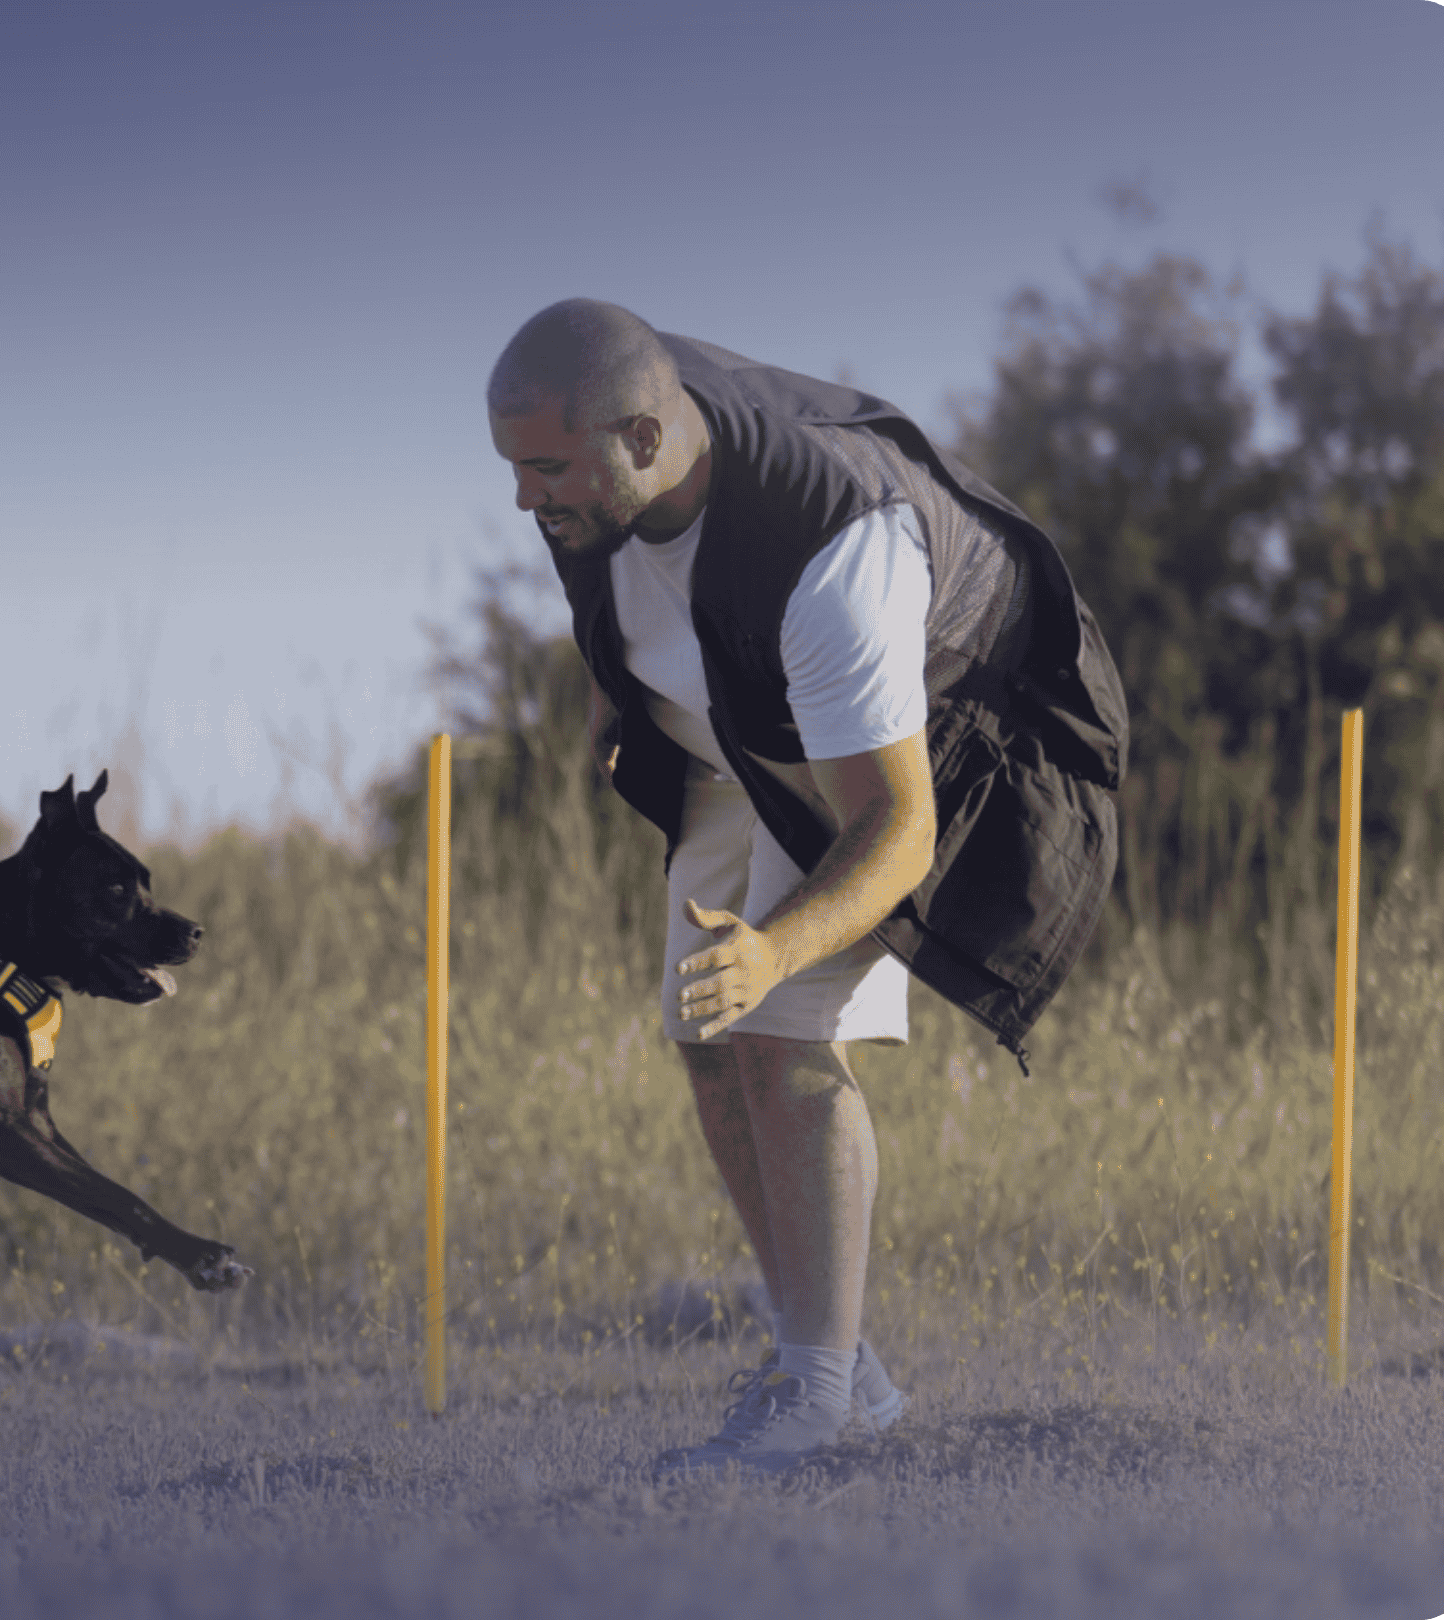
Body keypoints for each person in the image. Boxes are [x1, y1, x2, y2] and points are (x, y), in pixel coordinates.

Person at [483, 299, 1128, 1478]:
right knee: (703, 1025)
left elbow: (895, 829)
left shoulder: (837, 553)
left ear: (642, 435)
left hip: (896, 747)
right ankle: (831, 1365)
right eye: (513, 468)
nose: (526, 500)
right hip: (741, 718)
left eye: (542, 470)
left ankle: (815, 1399)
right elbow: (632, 597)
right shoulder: (600, 465)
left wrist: (778, 948)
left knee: (779, 1026)